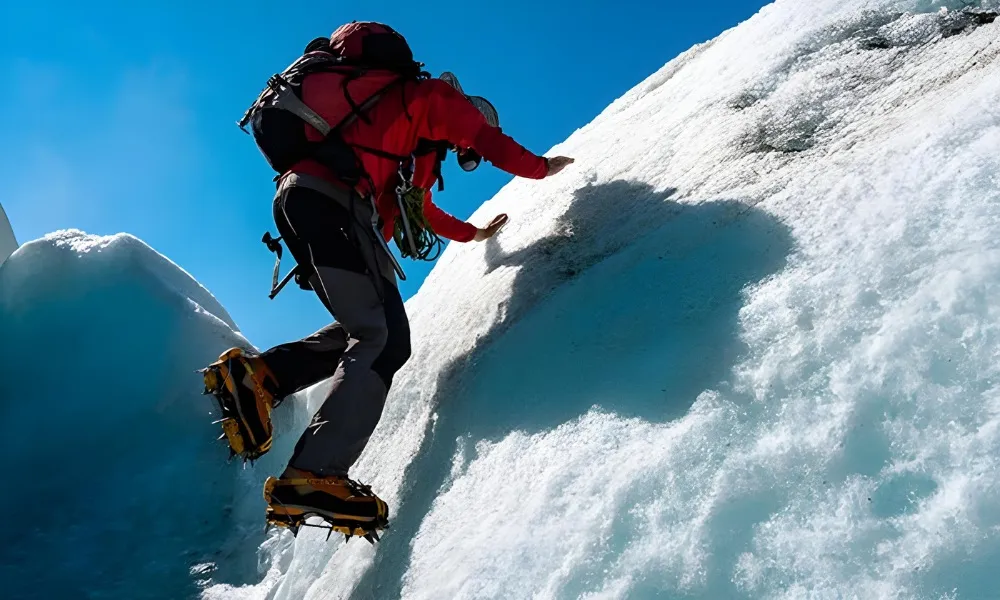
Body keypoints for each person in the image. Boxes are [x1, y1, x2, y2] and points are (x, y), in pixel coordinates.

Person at [201, 21, 574, 542]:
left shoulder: (383, 134)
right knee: (384, 337)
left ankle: (261, 378)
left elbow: (422, 210)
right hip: (331, 206)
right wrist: (539, 168)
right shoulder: (430, 97)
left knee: (364, 330)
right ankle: (314, 473)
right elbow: (485, 138)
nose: (456, 153)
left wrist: (472, 234)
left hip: (302, 199)